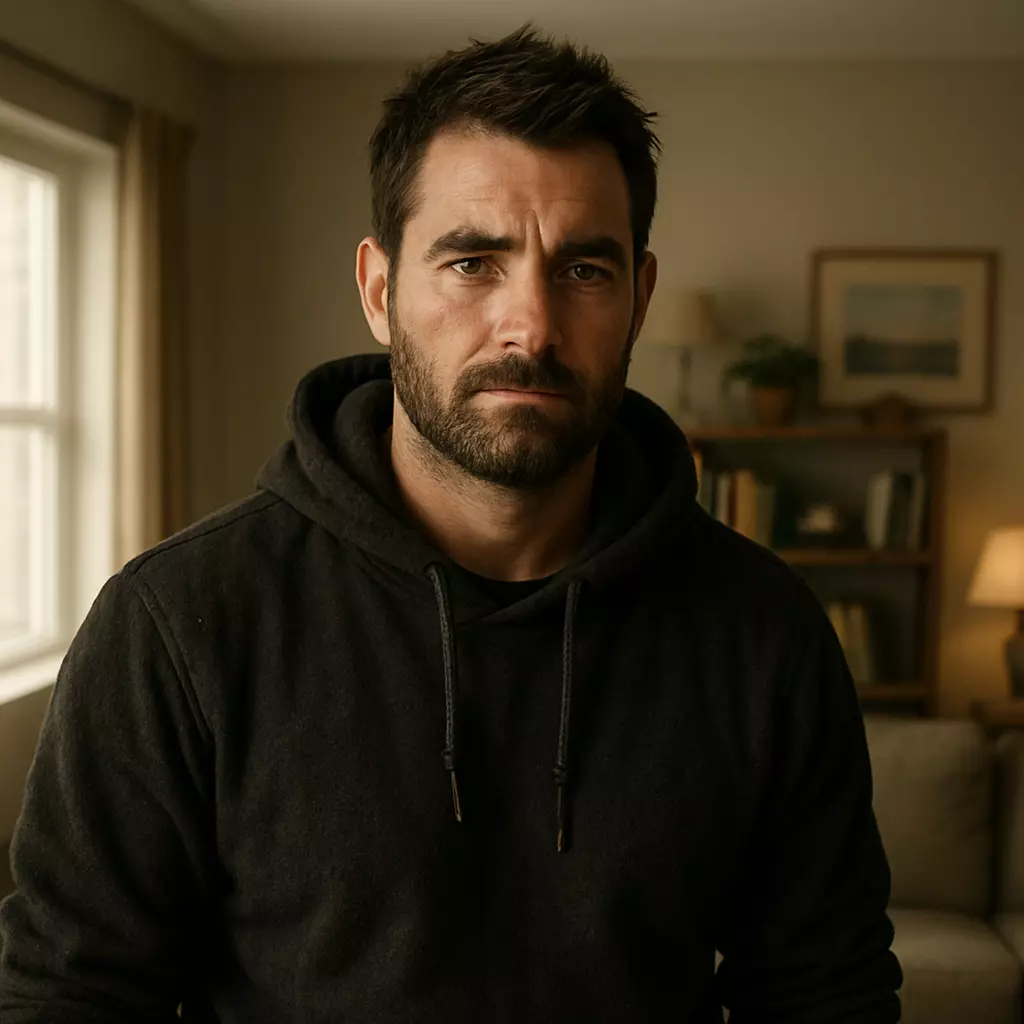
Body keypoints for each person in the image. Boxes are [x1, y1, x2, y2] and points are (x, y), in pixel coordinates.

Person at [0, 26, 902, 1023]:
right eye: (474, 262)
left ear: (638, 300)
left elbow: (827, 992)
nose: (532, 327)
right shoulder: (178, 623)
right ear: (380, 291)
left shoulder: (764, 630)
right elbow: (69, 995)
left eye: (585, 271)